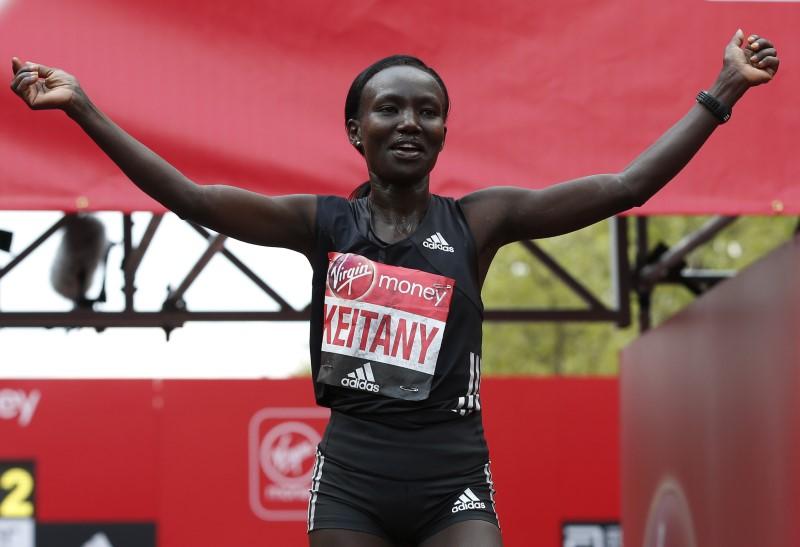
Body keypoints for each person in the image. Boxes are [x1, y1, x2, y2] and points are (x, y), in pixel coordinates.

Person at [10, 29, 779, 547]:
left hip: (454, 476)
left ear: (444, 130)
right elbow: (195, 199)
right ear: (357, 130)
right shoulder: (323, 224)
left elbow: (626, 185)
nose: (410, 121)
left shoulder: (481, 221)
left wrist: (723, 92)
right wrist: (83, 107)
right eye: (390, 108)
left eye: (428, 110)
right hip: (352, 478)